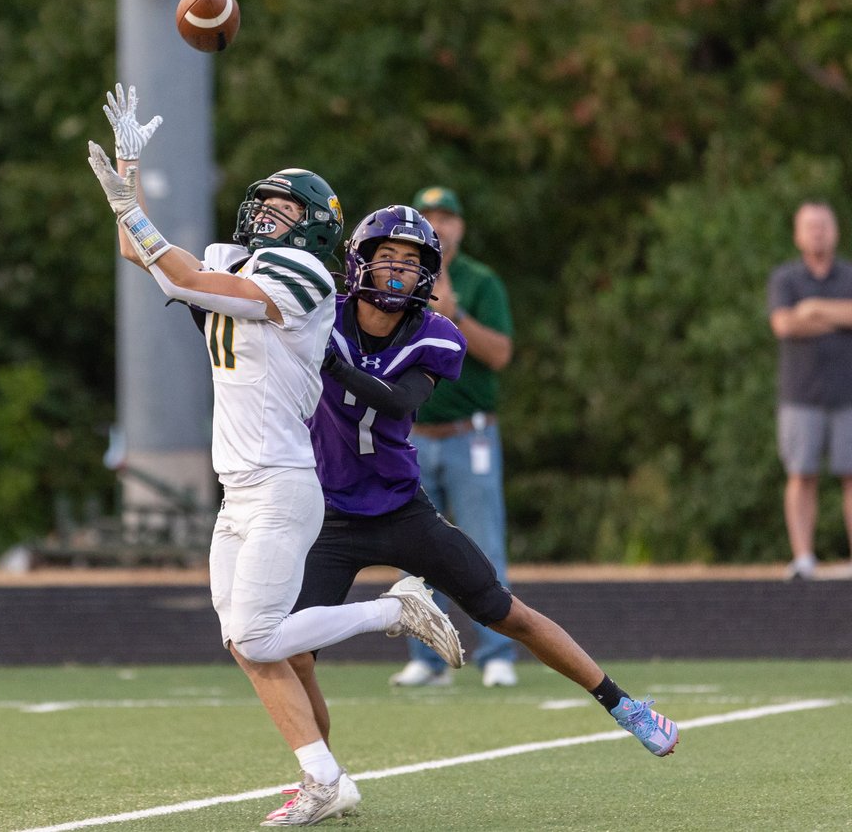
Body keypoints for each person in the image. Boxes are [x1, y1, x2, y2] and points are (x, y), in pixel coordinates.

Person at [86, 85, 462, 827]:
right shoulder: (240, 258)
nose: (266, 215)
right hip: (240, 487)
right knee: (245, 641)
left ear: (315, 226)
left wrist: (132, 208)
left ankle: (394, 609)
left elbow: (183, 276)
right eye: (266, 203)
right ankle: (324, 779)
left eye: (285, 210)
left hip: (284, 483)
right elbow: (143, 253)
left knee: (258, 633)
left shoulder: (307, 277)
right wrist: (127, 173)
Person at [284, 205, 679, 791]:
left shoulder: (436, 334)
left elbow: (397, 401)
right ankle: (323, 778)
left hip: (400, 510)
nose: (397, 270)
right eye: (387, 256)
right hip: (331, 514)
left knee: (504, 610)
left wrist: (334, 364)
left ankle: (623, 704)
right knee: (293, 652)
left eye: (411, 261)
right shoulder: (322, 314)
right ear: (360, 261)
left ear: (427, 274)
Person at [389, 185, 519, 688]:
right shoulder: (396, 278)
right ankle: (428, 659)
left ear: (461, 226)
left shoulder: (481, 281)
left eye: (447, 216)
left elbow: (500, 354)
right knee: (413, 548)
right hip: (413, 435)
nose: (438, 225)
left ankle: (497, 653)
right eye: (429, 216)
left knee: (483, 545)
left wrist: (455, 313)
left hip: (470, 436)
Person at [767, 200, 852, 581]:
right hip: (800, 395)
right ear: (798, 235)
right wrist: (839, 319)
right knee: (801, 475)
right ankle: (803, 558)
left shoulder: (848, 275)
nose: (818, 232)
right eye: (811, 226)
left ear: (835, 231)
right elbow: (784, 325)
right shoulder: (785, 279)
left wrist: (815, 308)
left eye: (823, 225)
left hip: (848, 394)